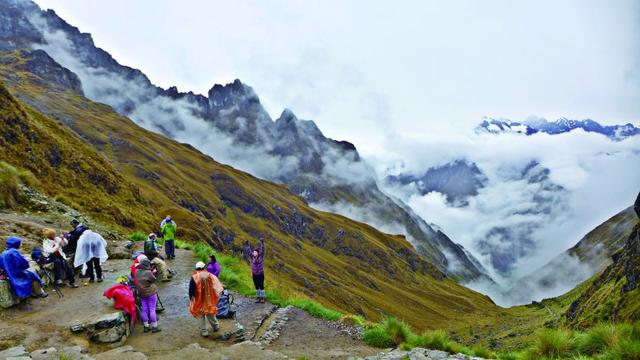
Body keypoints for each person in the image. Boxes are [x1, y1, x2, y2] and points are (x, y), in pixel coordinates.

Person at [189, 261, 222, 337]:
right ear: (203, 267)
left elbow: (191, 290)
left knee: (200, 315)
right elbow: (217, 286)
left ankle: (204, 332)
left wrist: (191, 298)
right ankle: (216, 326)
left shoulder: (194, 277)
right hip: (209, 299)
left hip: (198, 299)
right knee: (210, 313)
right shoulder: (210, 275)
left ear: (196, 268)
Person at [135, 256, 160, 333]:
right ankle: (155, 327)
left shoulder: (137, 272)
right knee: (152, 309)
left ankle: (146, 326)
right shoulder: (148, 273)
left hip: (141, 293)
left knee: (144, 309)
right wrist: (155, 273)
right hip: (150, 293)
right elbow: (153, 280)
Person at [244, 238, 265, 303]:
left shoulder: (261, 257)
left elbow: (263, 250)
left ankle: (262, 298)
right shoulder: (252, 257)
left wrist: (262, 243)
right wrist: (247, 245)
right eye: (253, 252)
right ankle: (258, 297)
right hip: (254, 274)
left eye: (255, 252)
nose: (254, 253)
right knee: (256, 286)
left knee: (261, 286)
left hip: (260, 274)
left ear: (258, 253)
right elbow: (248, 251)